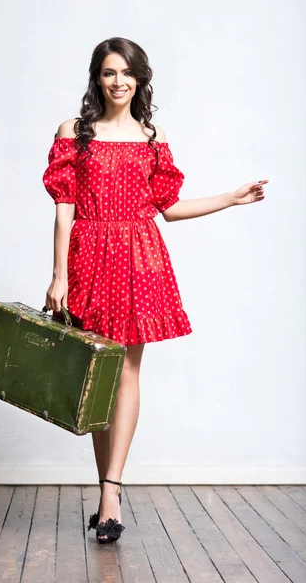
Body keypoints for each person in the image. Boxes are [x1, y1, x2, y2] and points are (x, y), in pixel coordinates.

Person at [42, 37, 268, 544]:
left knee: (126, 371)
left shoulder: (151, 136)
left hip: (140, 258)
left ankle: (110, 495)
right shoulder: (73, 133)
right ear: (96, 79)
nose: (117, 81)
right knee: (96, 372)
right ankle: (107, 491)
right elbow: (63, 205)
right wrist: (58, 273)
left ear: (140, 79)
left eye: (125, 73)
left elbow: (169, 208)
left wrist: (230, 198)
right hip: (88, 255)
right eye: (107, 73)